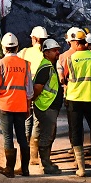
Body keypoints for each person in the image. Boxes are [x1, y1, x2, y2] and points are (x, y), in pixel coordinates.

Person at [59, 27, 91, 177]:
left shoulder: (69, 59)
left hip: (74, 100)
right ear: (85, 41)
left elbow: (65, 78)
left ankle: (81, 168)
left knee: (76, 131)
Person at [0, 32, 33, 178]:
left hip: (5, 106)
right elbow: (29, 90)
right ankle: (25, 169)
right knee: (22, 137)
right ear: (17, 47)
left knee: (8, 137)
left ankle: (9, 169)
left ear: (3, 48)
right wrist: (27, 104)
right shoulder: (26, 64)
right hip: (20, 106)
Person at [30, 38, 64, 175]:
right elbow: (37, 88)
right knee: (47, 134)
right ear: (46, 52)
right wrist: (34, 101)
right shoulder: (46, 68)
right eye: (54, 50)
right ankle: (46, 165)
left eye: (58, 50)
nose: (57, 52)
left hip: (48, 106)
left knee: (48, 133)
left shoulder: (49, 66)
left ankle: (46, 161)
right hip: (46, 106)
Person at [19, 26, 49, 164]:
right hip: (42, 94)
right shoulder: (47, 54)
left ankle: (25, 150)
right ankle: (34, 155)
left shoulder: (24, 52)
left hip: (26, 92)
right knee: (38, 122)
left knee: (27, 120)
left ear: (35, 38)